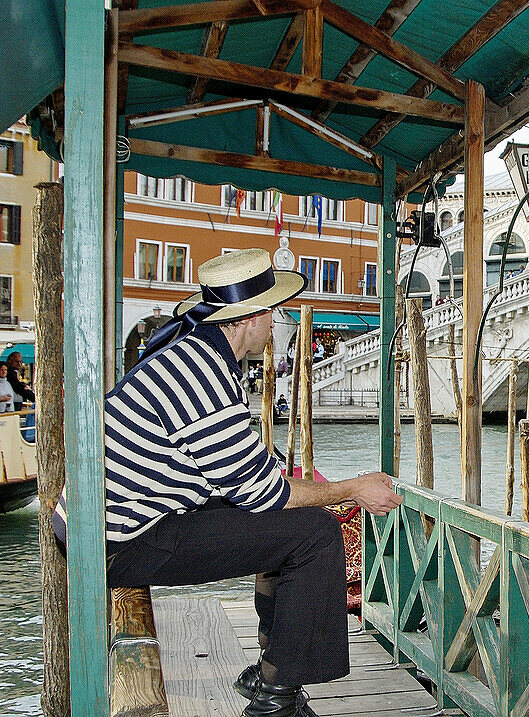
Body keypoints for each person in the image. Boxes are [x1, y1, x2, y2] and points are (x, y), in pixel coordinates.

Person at [52, 249, 402, 716]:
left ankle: (271, 672)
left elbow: (238, 473)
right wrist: (354, 487)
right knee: (315, 533)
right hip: (117, 542)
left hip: (100, 524)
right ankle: (275, 700)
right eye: (273, 312)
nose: (278, 321)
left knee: (293, 523)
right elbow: (265, 494)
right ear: (249, 317)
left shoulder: (196, 356)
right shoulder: (203, 375)